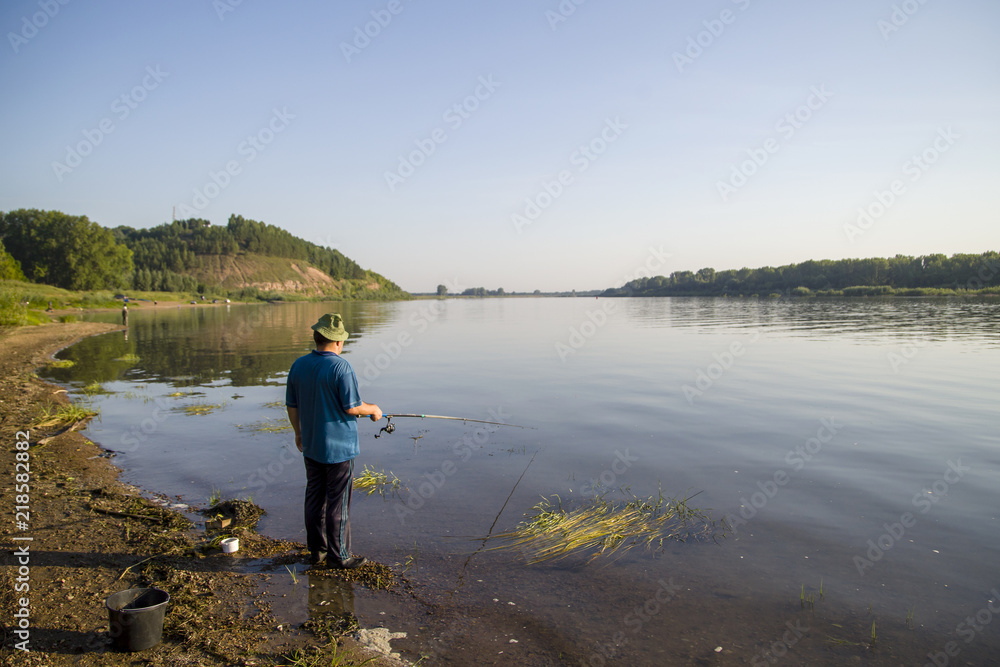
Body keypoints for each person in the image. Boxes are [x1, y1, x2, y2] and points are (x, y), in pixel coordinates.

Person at [286, 313, 382, 569]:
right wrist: (373, 409)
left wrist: (298, 433)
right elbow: (352, 407)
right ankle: (339, 556)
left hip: (311, 446)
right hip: (339, 450)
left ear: (316, 337)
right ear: (339, 342)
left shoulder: (298, 365)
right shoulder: (342, 367)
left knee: (314, 499)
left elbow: (292, 405)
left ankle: (316, 551)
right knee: (338, 503)